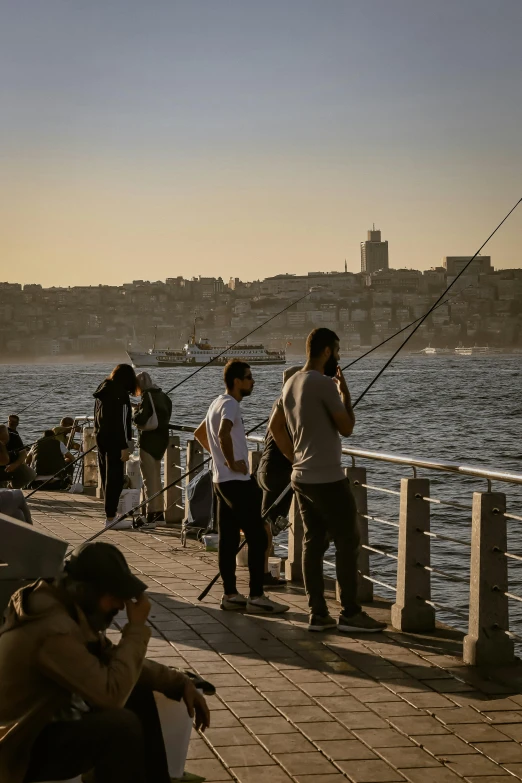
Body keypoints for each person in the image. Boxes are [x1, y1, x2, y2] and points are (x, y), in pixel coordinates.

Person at [0, 541, 210, 783]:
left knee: (135, 691)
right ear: (87, 592)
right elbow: (111, 695)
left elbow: (115, 662)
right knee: (120, 727)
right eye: (114, 597)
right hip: (16, 751)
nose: (121, 606)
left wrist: (180, 682)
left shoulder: (64, 608)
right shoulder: (52, 631)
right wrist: (136, 628)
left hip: (41, 725)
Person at [271, 327, 386, 634]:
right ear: (326, 352)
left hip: (301, 478)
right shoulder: (322, 384)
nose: (338, 357)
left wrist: (294, 457)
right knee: (348, 542)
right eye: (337, 351)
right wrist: (344, 391)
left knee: (313, 543)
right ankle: (350, 613)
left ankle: (317, 613)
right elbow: (347, 427)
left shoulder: (291, 382)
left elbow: (275, 427)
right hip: (327, 479)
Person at [194, 359, 289, 615]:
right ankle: (257, 596)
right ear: (237, 382)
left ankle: (230, 594)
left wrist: (219, 461)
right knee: (258, 537)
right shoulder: (231, 405)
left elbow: (200, 434)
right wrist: (232, 462)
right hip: (236, 481)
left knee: (228, 539)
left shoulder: (215, 403)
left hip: (219, 482)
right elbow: (223, 434)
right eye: (249, 377)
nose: (253, 381)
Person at [256, 365, 301, 587]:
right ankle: (262, 573)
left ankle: (262, 571)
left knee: (267, 523)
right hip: (277, 471)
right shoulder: (290, 403)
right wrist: (295, 460)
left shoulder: (280, 401)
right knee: (269, 525)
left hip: (266, 468)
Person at [94, 363, 137, 530]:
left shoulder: (104, 389)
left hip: (101, 439)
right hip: (116, 442)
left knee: (106, 478)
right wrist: (125, 445)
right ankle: (111, 518)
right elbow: (122, 423)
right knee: (116, 479)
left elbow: (102, 417)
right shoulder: (121, 394)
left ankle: (109, 515)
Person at [133, 371, 173, 530]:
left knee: (149, 480)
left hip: (148, 441)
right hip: (162, 440)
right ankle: (159, 515)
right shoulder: (164, 396)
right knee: (157, 478)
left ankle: (151, 516)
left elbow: (141, 419)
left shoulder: (146, 396)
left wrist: (135, 412)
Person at [0, 424, 36, 489]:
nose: (3, 442)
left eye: (5, 439)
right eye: (1, 439)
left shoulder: (14, 437)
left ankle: (13, 487)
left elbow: (23, 454)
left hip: (14, 465)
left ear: (8, 433)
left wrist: (15, 464)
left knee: (30, 474)